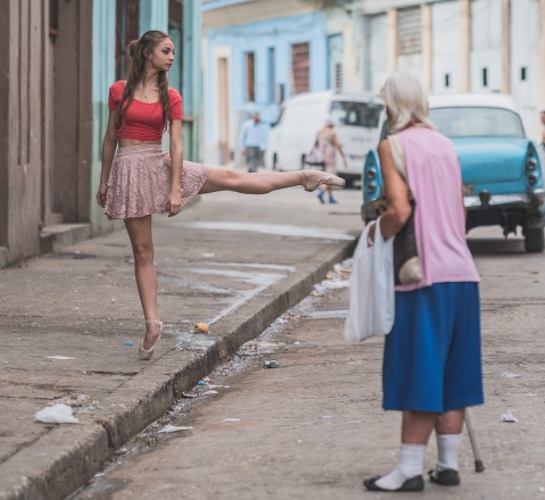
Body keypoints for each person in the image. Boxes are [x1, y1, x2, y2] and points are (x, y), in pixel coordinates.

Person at [96, 31, 343, 361]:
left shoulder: (170, 95)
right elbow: (110, 138)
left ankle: (304, 176)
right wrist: (104, 182)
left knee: (231, 177)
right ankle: (153, 323)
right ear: (147, 53)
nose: (171, 57)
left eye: (173, 51)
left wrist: (174, 190)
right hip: (128, 171)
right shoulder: (118, 91)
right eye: (166, 51)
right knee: (143, 251)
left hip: (160, 163)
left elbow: (178, 145)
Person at [362, 71, 483, 493]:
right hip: (463, 274)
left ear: (392, 106)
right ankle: (447, 465)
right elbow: (462, 216)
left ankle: (409, 470)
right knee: (455, 374)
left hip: (422, 277)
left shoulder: (391, 146)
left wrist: (374, 234)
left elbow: (398, 210)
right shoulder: (446, 146)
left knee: (420, 372)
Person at [311, 117, 347, 204]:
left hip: (321, 154)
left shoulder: (320, 131)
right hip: (330, 154)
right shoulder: (332, 132)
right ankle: (321, 192)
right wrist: (343, 157)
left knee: (325, 175)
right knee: (330, 176)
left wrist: (311, 154)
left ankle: (331, 197)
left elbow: (314, 144)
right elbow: (337, 144)